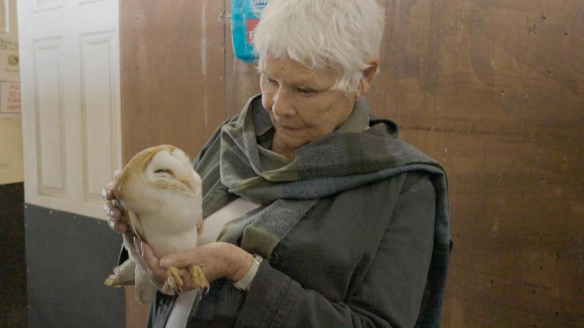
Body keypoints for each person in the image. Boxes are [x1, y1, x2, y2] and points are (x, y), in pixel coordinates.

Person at [104, 0, 451, 327]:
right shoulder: (236, 138)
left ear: (363, 76)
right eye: (270, 79)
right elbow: (174, 255)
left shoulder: (403, 188)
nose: (277, 106)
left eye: (305, 90)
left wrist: (242, 270)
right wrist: (139, 219)